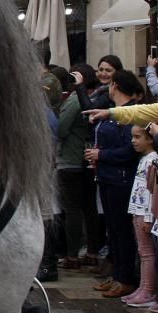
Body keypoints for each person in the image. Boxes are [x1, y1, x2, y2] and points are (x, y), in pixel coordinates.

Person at [86, 69, 144, 299]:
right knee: (113, 229)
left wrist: (102, 156)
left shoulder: (130, 114)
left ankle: (126, 277)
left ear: (116, 86)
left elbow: (129, 149)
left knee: (122, 230)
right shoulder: (112, 113)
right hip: (107, 177)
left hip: (121, 178)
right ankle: (118, 273)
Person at [57, 63, 99, 270]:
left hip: (71, 159)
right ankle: (92, 251)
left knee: (72, 208)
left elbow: (62, 128)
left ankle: (72, 255)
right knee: (88, 207)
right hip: (85, 159)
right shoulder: (94, 98)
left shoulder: (75, 101)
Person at [123, 125, 158, 308]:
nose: (133, 141)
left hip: (144, 212)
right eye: (133, 137)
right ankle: (143, 287)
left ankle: (148, 290)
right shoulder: (145, 159)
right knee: (143, 252)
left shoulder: (153, 160)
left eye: (138, 137)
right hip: (138, 210)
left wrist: (148, 216)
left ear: (150, 138)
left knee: (147, 253)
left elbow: (151, 191)